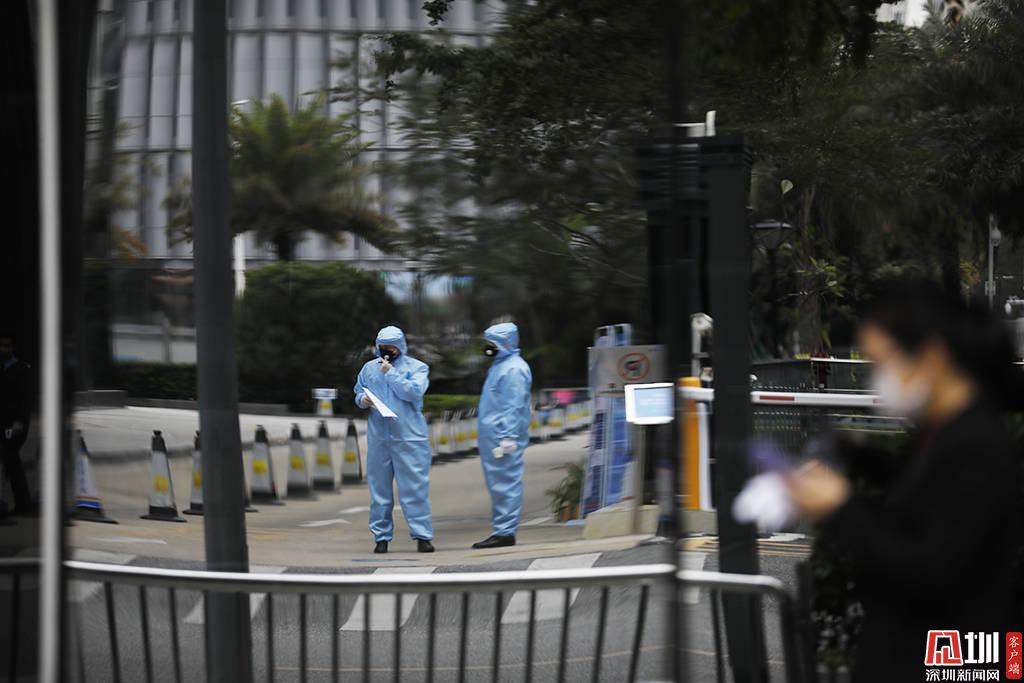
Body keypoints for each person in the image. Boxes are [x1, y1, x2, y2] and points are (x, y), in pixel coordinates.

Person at [786, 280, 1023, 681]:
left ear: (932, 356)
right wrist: (862, 462)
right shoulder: (948, 434)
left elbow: (932, 568)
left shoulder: (976, 446)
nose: (877, 379)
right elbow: (927, 511)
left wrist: (841, 508)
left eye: (882, 363)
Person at [353, 326, 434, 554]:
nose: (387, 351)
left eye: (391, 347)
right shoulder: (369, 368)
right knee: (379, 489)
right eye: (383, 347)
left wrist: (391, 374)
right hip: (380, 436)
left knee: (414, 489)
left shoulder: (417, 367)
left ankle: (422, 535)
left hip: (409, 437)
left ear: (400, 347)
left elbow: (414, 392)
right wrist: (362, 399)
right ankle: (381, 537)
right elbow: (359, 391)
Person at [473, 322, 533, 549]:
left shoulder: (514, 369)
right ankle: (502, 529)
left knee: (506, 483)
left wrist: (508, 437)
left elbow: (513, 406)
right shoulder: (501, 365)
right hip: (494, 436)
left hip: (503, 438)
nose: (488, 347)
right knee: (498, 484)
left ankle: (505, 532)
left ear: (505, 342)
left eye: (492, 343)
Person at [0, 330, 32, 515]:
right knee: (10, 461)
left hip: (14, 424)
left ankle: (22, 503)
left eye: (6, 346)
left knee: (10, 458)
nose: (3, 349)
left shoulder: (21, 369)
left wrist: (20, 422)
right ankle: (21, 503)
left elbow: (25, 399)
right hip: (3, 422)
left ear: (13, 348)